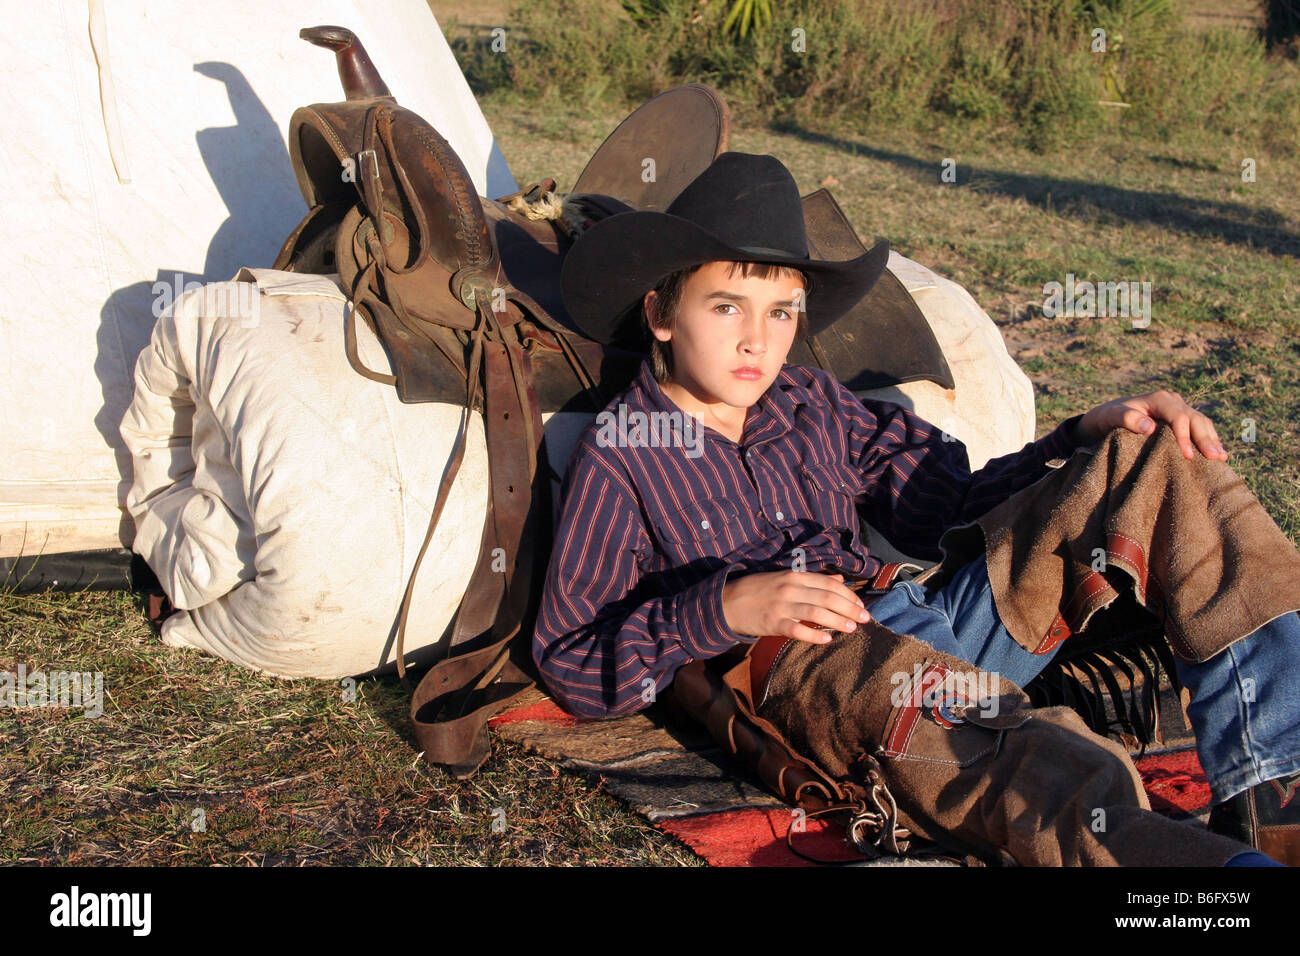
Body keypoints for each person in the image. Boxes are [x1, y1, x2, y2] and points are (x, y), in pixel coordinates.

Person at [532, 151, 1300, 865]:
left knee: (1157, 456)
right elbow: (571, 658)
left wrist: (1081, 436)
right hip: (819, 669)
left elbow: (947, 506)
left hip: (924, 614)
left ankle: (1276, 794)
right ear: (662, 313)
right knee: (1022, 756)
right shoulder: (624, 455)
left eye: (782, 311)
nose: (757, 340)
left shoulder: (812, 403)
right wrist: (724, 608)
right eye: (727, 306)